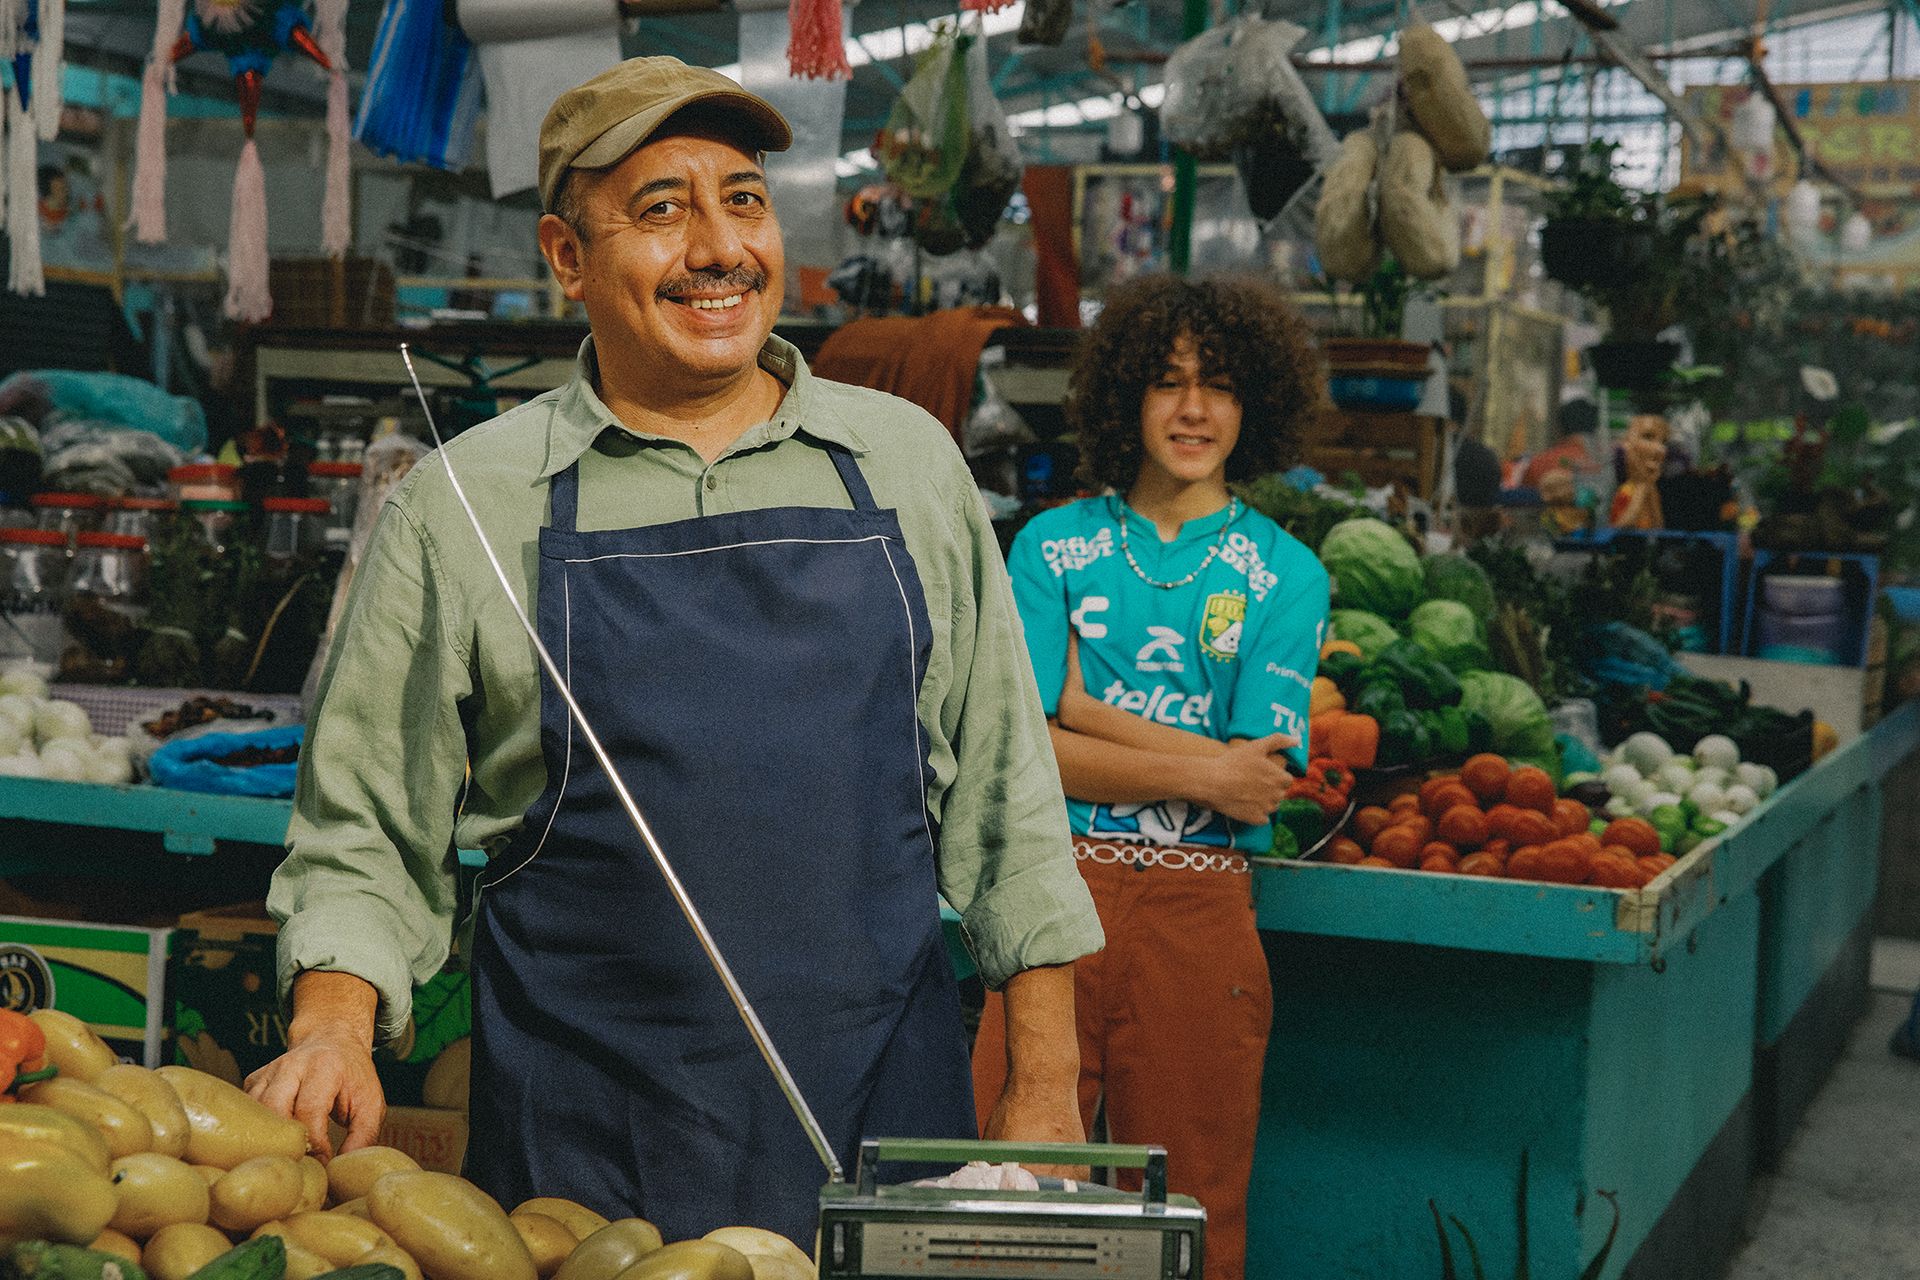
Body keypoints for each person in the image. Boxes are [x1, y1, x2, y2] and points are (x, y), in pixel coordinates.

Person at [250, 57, 1103, 1248]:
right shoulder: (469, 507)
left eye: (744, 199)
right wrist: (335, 1024)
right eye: (662, 209)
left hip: (882, 1136)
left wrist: (1044, 1084)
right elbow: (365, 830)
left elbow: (1010, 800)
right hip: (579, 1172)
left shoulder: (907, 465)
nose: (719, 246)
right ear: (565, 256)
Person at [970, 275, 1330, 1280]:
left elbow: (1257, 784)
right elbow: (1022, 752)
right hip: (1051, 893)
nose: (1193, 408)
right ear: (1126, 393)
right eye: (1168, 382)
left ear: (1252, 400)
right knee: (1004, 1193)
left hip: (1199, 907)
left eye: (1217, 383)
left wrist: (1080, 711)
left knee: (1191, 1210)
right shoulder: (1053, 545)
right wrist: (1198, 766)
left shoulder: (1287, 573)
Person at [1610, 413, 1669, 530]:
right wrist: (1643, 484)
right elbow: (1620, 527)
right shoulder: (1626, 491)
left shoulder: (1653, 489)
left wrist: (1648, 484)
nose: (1660, 449)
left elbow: (1658, 527)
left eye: (1664, 442)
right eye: (1648, 437)